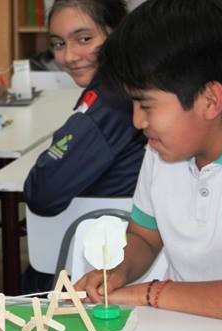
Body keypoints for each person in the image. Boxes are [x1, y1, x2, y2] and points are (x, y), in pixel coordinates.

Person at [75, 0, 222, 325]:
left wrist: (149, 293)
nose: (136, 121)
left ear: (210, 100)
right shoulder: (162, 149)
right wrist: (119, 271)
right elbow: (145, 237)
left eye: (146, 104)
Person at [23, 0, 146, 217]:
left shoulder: (109, 103)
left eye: (84, 39)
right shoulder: (135, 83)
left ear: (118, 32)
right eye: (59, 44)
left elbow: (41, 193)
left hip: (112, 235)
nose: (69, 56)